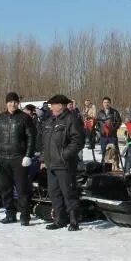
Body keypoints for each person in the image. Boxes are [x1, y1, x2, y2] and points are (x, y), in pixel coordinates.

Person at [39, 94, 86, 231]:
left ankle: (74, 220)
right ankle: (60, 219)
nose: (51, 107)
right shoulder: (50, 121)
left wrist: (64, 155)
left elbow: (78, 141)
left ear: (60, 105)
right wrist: (43, 159)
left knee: (68, 192)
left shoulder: (71, 119)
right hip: (51, 164)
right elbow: (45, 143)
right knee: (54, 193)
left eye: (53, 105)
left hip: (64, 164)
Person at [0, 92, 37, 225]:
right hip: (2, 159)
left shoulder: (24, 118)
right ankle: (10, 214)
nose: (12, 104)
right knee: (5, 189)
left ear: (18, 103)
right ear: (6, 103)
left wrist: (28, 155)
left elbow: (31, 138)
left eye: (15, 102)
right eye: (10, 102)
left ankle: (25, 215)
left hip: (19, 158)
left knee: (22, 189)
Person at [96, 97, 122, 170]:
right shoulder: (100, 113)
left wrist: (114, 128)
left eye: (107, 102)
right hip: (103, 136)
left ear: (110, 103)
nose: (106, 104)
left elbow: (119, 121)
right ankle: (104, 166)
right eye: (105, 102)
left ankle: (116, 166)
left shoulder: (115, 112)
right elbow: (97, 123)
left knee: (115, 151)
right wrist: (100, 130)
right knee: (104, 151)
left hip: (112, 135)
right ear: (102, 104)